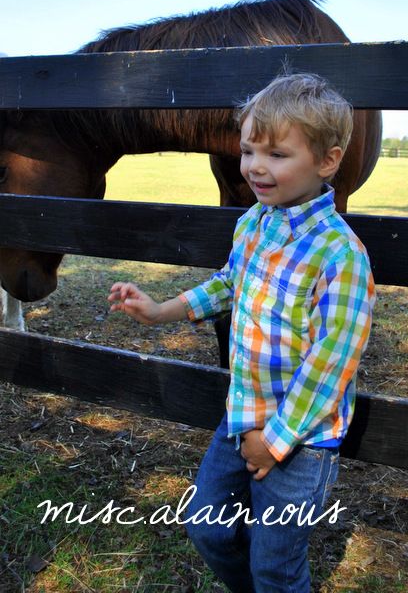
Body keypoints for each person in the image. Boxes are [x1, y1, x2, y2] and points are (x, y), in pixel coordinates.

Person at [108, 73, 375, 593]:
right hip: (240, 418)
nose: (255, 166)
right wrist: (164, 309)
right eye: (249, 149)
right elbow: (231, 282)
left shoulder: (340, 255)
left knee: (276, 566)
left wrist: (271, 444)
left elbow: (332, 363)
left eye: (276, 154)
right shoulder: (253, 222)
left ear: (327, 161)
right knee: (208, 528)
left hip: (299, 440)